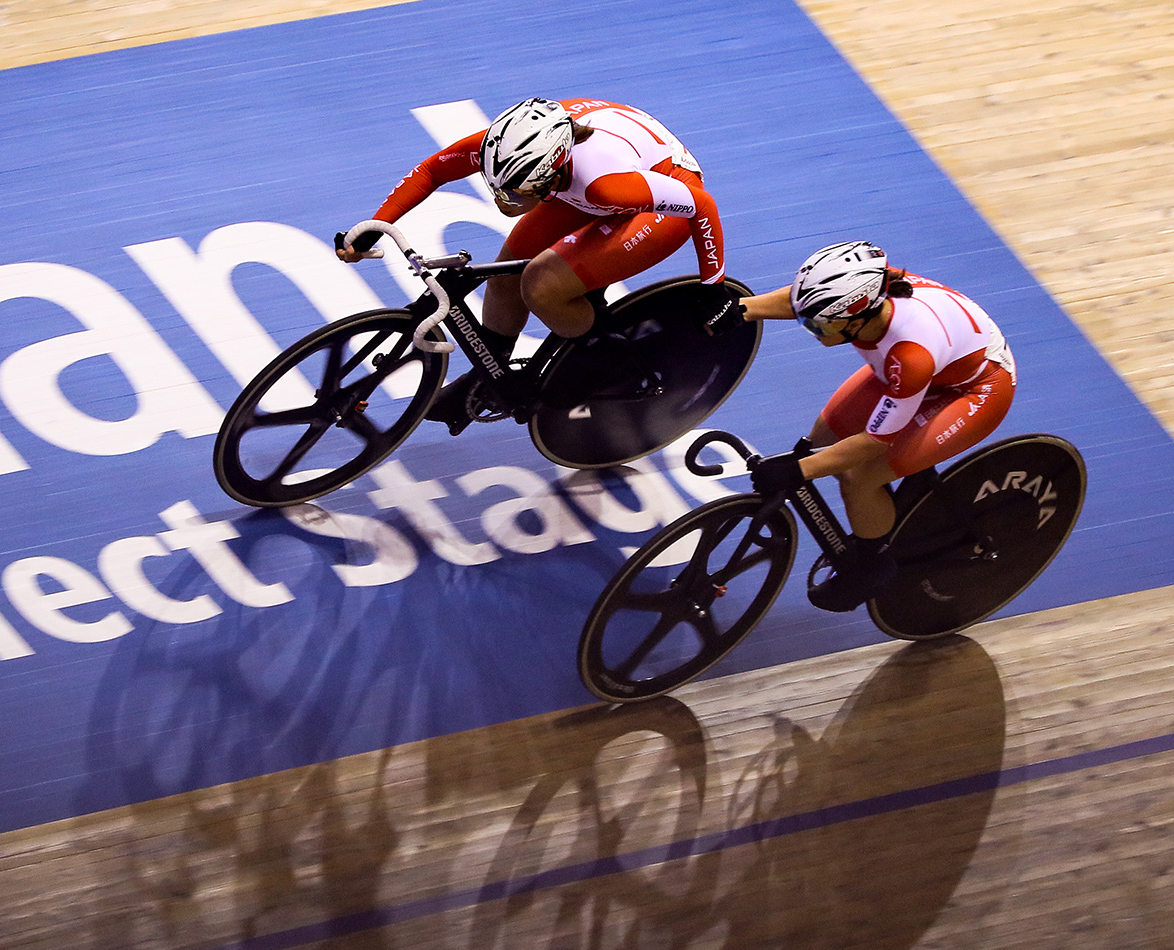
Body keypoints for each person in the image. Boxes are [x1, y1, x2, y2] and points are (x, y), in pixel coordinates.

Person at [337, 97, 738, 433]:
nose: (504, 202)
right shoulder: (511, 144)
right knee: (507, 272)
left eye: (516, 192)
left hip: (658, 192)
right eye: (499, 188)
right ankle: (488, 379)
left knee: (542, 286)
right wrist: (376, 225)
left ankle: (604, 361)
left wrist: (713, 286)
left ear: (552, 172)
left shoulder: (603, 185)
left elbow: (701, 206)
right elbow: (433, 169)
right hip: (594, 172)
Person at [729, 241, 1016, 612]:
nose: (810, 330)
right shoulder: (865, 300)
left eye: (818, 324)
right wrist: (741, 309)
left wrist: (797, 471)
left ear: (857, 319)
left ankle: (872, 562)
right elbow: (802, 301)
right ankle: (883, 507)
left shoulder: (910, 355)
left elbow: (874, 442)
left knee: (859, 476)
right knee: (821, 441)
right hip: (921, 372)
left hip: (977, 390)